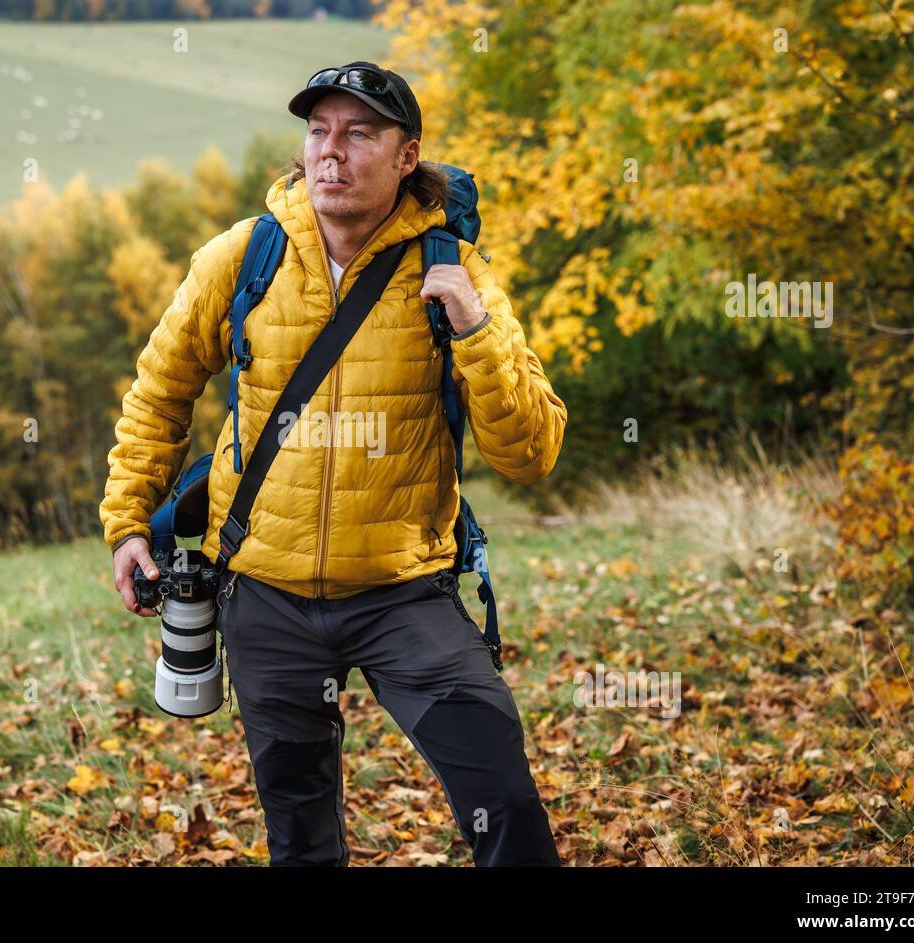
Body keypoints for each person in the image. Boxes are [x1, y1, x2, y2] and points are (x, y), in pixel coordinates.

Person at [100, 61, 568, 866]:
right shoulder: (245, 257)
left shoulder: (452, 271)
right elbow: (159, 393)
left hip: (404, 594)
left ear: (406, 155)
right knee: (300, 831)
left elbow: (530, 453)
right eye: (319, 131)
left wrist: (477, 332)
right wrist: (126, 525)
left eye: (359, 134)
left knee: (502, 794)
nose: (331, 152)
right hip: (265, 595)